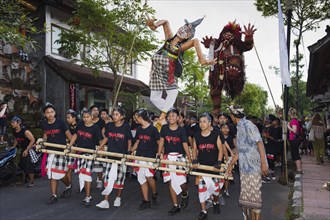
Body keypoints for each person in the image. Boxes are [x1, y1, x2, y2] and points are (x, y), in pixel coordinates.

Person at [146, 17, 216, 131]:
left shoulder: (180, 47)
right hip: (156, 69)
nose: (184, 30)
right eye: (184, 27)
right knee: (154, 98)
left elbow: (195, 43)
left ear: (188, 36)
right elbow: (165, 21)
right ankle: (170, 111)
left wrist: (205, 60)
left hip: (168, 70)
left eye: (188, 31)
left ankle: (162, 118)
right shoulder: (169, 39)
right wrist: (153, 25)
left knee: (173, 91)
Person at [226, 105, 268, 220]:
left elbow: (260, 143)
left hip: (254, 168)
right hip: (244, 169)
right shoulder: (239, 128)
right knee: (247, 200)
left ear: (233, 115)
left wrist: (263, 164)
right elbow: (240, 151)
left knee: (255, 200)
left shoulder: (249, 125)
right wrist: (230, 166)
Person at [96, 106, 132, 209]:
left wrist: (128, 153)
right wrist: (100, 147)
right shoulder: (109, 125)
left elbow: (129, 140)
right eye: (114, 114)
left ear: (122, 116)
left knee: (120, 178)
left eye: (117, 114)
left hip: (122, 156)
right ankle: (105, 200)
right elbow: (106, 137)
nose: (114, 116)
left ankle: (118, 197)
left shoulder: (126, 127)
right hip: (110, 155)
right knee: (107, 177)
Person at [157, 108, 191, 216]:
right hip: (167, 157)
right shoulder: (164, 128)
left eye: (173, 116)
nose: (171, 118)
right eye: (169, 116)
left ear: (178, 118)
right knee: (170, 181)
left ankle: (185, 194)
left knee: (182, 182)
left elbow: (185, 144)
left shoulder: (181, 130)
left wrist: (189, 159)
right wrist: (159, 154)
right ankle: (175, 205)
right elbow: (161, 141)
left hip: (179, 157)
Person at [68, 108, 103, 207]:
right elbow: (75, 135)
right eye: (84, 117)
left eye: (88, 117)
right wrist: (70, 146)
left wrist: (100, 152)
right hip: (80, 153)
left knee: (86, 174)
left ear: (92, 117)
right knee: (82, 174)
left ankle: (88, 197)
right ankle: (87, 195)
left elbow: (100, 141)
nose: (86, 119)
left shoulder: (95, 128)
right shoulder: (80, 125)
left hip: (90, 154)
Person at [192, 113, 224, 220]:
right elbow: (195, 149)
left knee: (215, 189)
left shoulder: (215, 135)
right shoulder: (196, 135)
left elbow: (221, 150)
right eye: (200, 122)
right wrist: (194, 160)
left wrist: (219, 162)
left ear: (209, 123)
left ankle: (215, 202)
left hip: (213, 167)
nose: (202, 124)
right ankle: (203, 211)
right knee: (201, 190)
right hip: (202, 167)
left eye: (204, 121)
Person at [40, 102, 72, 204]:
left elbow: (69, 136)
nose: (50, 114)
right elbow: (45, 134)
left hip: (61, 151)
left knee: (61, 174)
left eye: (52, 112)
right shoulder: (44, 124)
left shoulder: (61, 122)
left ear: (55, 113)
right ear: (44, 114)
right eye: (47, 112)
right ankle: (54, 195)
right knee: (52, 173)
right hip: (50, 151)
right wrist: (42, 142)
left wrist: (70, 147)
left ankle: (68, 185)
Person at [129, 108, 160, 210]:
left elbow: (159, 143)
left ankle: (155, 193)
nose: (135, 119)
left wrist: (160, 154)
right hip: (139, 155)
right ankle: (146, 200)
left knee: (149, 177)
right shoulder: (139, 129)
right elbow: (137, 142)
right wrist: (130, 151)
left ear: (140, 117)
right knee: (141, 178)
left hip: (149, 157)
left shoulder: (153, 129)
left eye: (136, 117)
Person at [11, 116, 36, 187]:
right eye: (11, 122)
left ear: (18, 123)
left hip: (29, 149)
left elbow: (33, 140)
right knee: (21, 164)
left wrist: (27, 149)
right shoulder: (14, 130)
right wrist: (13, 146)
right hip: (23, 149)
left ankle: (32, 182)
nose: (12, 124)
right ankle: (25, 179)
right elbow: (16, 138)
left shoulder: (25, 131)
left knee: (29, 165)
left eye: (13, 122)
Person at [90, 105, 105, 189]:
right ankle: (86, 183)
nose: (95, 111)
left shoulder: (101, 122)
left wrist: (102, 145)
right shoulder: (88, 120)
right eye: (94, 110)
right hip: (89, 144)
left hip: (98, 144)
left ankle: (100, 180)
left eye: (97, 110)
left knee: (98, 164)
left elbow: (103, 133)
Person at [220, 123, 236, 197]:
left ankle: (226, 190)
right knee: (219, 174)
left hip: (229, 157)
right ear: (220, 129)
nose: (225, 129)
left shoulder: (231, 137)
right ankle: (219, 190)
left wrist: (233, 154)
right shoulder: (218, 137)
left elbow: (234, 147)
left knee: (227, 174)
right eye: (223, 127)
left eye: (227, 128)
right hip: (220, 157)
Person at [287, 107, 302, 174]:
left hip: (294, 139)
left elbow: (294, 130)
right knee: (295, 154)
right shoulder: (295, 120)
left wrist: (288, 126)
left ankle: (299, 170)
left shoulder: (293, 121)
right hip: (294, 139)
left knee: (295, 154)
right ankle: (298, 169)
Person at [66, 109, 79, 186]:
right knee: (68, 169)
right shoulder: (66, 126)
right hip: (71, 148)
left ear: (74, 118)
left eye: (69, 117)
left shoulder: (80, 125)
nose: (67, 119)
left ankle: (84, 185)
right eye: (67, 117)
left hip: (80, 148)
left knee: (82, 170)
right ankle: (69, 186)